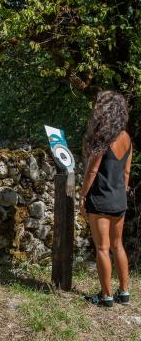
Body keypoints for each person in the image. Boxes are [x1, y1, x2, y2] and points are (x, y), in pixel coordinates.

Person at [79, 90, 132, 307]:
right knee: (118, 246)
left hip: (100, 199)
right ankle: (124, 293)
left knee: (102, 248)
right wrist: (120, 193)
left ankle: (106, 296)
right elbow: (126, 173)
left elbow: (92, 172)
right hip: (119, 199)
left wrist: (82, 196)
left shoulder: (103, 137)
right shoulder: (127, 137)